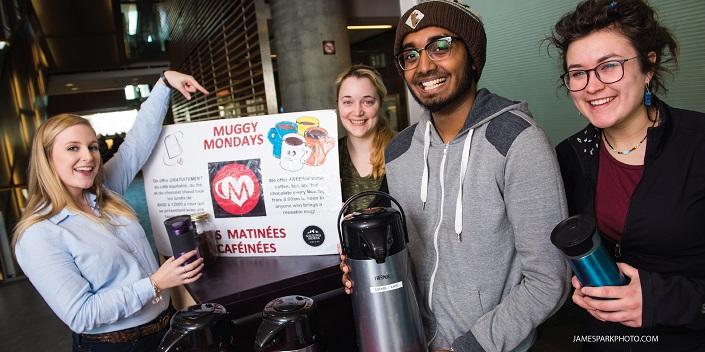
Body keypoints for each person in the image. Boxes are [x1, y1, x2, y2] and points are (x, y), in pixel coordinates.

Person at [340, 1, 570, 351]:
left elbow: (548, 280)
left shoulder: (516, 140)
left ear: (473, 56)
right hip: (412, 341)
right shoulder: (400, 150)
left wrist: (468, 347)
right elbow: (401, 250)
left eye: (440, 46)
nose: (424, 65)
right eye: (411, 55)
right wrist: (362, 265)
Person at [12, 70, 209, 352]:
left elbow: (135, 146)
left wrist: (164, 83)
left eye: (92, 147)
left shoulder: (103, 193)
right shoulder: (39, 233)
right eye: (72, 148)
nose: (88, 157)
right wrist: (155, 283)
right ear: (47, 159)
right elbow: (82, 314)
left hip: (167, 329)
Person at [549, 0, 705, 350]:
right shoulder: (567, 157)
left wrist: (661, 299)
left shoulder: (698, 144)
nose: (592, 86)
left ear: (648, 67)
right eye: (578, 73)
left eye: (610, 66)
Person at [335, 65, 394, 211]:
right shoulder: (327, 158)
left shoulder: (403, 151)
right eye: (348, 102)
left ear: (380, 103)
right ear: (338, 105)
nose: (357, 111)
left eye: (367, 101)